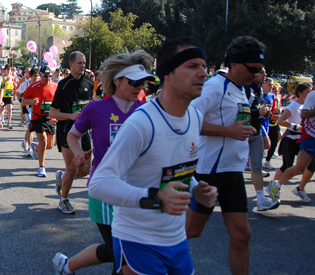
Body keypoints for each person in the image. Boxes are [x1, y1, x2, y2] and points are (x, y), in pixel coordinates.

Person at [85, 38, 217, 275]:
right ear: (167, 74)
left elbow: (170, 169)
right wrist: (156, 198)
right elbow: (99, 185)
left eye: (204, 66)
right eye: (192, 66)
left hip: (176, 240)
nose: (203, 73)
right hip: (137, 239)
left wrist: (196, 188)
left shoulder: (195, 117)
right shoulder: (142, 123)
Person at [53, 50, 154, 274]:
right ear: (117, 81)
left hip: (137, 190)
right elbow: (73, 135)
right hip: (106, 190)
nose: (140, 87)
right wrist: (78, 153)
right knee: (123, 257)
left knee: (118, 251)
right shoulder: (96, 109)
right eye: (134, 82)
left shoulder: (147, 110)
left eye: (143, 82)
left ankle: (67, 265)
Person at [186, 36, 266, 275]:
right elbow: (187, 122)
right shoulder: (213, 87)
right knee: (191, 232)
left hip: (232, 172)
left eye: (259, 70)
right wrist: (229, 131)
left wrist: (244, 129)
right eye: (251, 69)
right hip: (209, 172)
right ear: (233, 63)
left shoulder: (242, 89)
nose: (255, 74)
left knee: (243, 235)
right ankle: (140, 252)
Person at [48, 51, 94, 212]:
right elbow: (52, 113)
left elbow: (91, 106)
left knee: (86, 169)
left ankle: (62, 177)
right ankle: (63, 200)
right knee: (72, 167)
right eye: (79, 63)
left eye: (84, 63)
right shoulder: (63, 85)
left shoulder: (89, 83)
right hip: (66, 131)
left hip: (83, 132)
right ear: (71, 64)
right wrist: (71, 116)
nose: (82, 66)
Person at [268, 82, 315, 204]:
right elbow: (280, 121)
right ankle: (275, 185)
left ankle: (298, 188)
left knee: (306, 167)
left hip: (301, 138)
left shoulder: (307, 102)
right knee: (289, 165)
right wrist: (296, 127)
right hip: (292, 138)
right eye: (306, 91)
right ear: (300, 93)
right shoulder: (294, 106)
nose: (308, 93)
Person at [242, 68, 279, 211]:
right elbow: (236, 112)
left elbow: (259, 109)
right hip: (240, 134)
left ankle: (261, 199)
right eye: (262, 73)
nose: (265, 75)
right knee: (232, 168)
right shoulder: (245, 89)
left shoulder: (260, 90)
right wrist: (258, 112)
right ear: (253, 74)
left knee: (257, 168)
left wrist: (265, 113)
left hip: (255, 133)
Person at [22, 66, 58, 177]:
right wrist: (31, 101)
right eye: (45, 76)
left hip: (51, 118)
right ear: (41, 75)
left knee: (50, 145)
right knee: (43, 140)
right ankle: (41, 167)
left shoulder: (55, 86)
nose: (48, 78)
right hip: (37, 117)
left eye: (50, 76)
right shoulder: (33, 86)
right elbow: (23, 100)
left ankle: (35, 147)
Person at [16, 68, 39, 157]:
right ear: (30, 76)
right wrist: (21, 101)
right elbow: (17, 93)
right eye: (35, 75)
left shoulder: (39, 85)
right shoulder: (25, 84)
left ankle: (25, 142)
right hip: (26, 108)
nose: (36, 77)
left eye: (38, 76)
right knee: (30, 127)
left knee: (29, 129)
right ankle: (30, 148)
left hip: (35, 109)